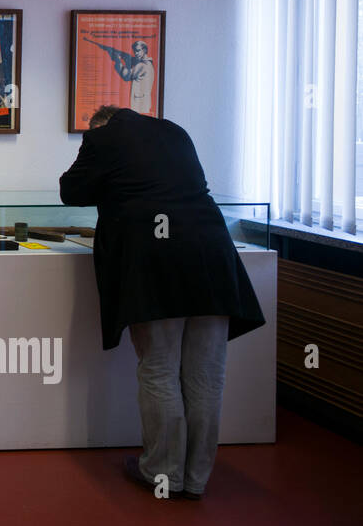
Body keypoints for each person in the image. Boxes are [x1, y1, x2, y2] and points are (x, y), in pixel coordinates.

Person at [59, 104, 265, 501]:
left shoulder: (103, 135)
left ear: (100, 123)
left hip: (156, 263)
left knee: (159, 368)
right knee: (207, 375)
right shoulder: (175, 131)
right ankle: (196, 478)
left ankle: (163, 473)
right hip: (212, 256)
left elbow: (71, 191)